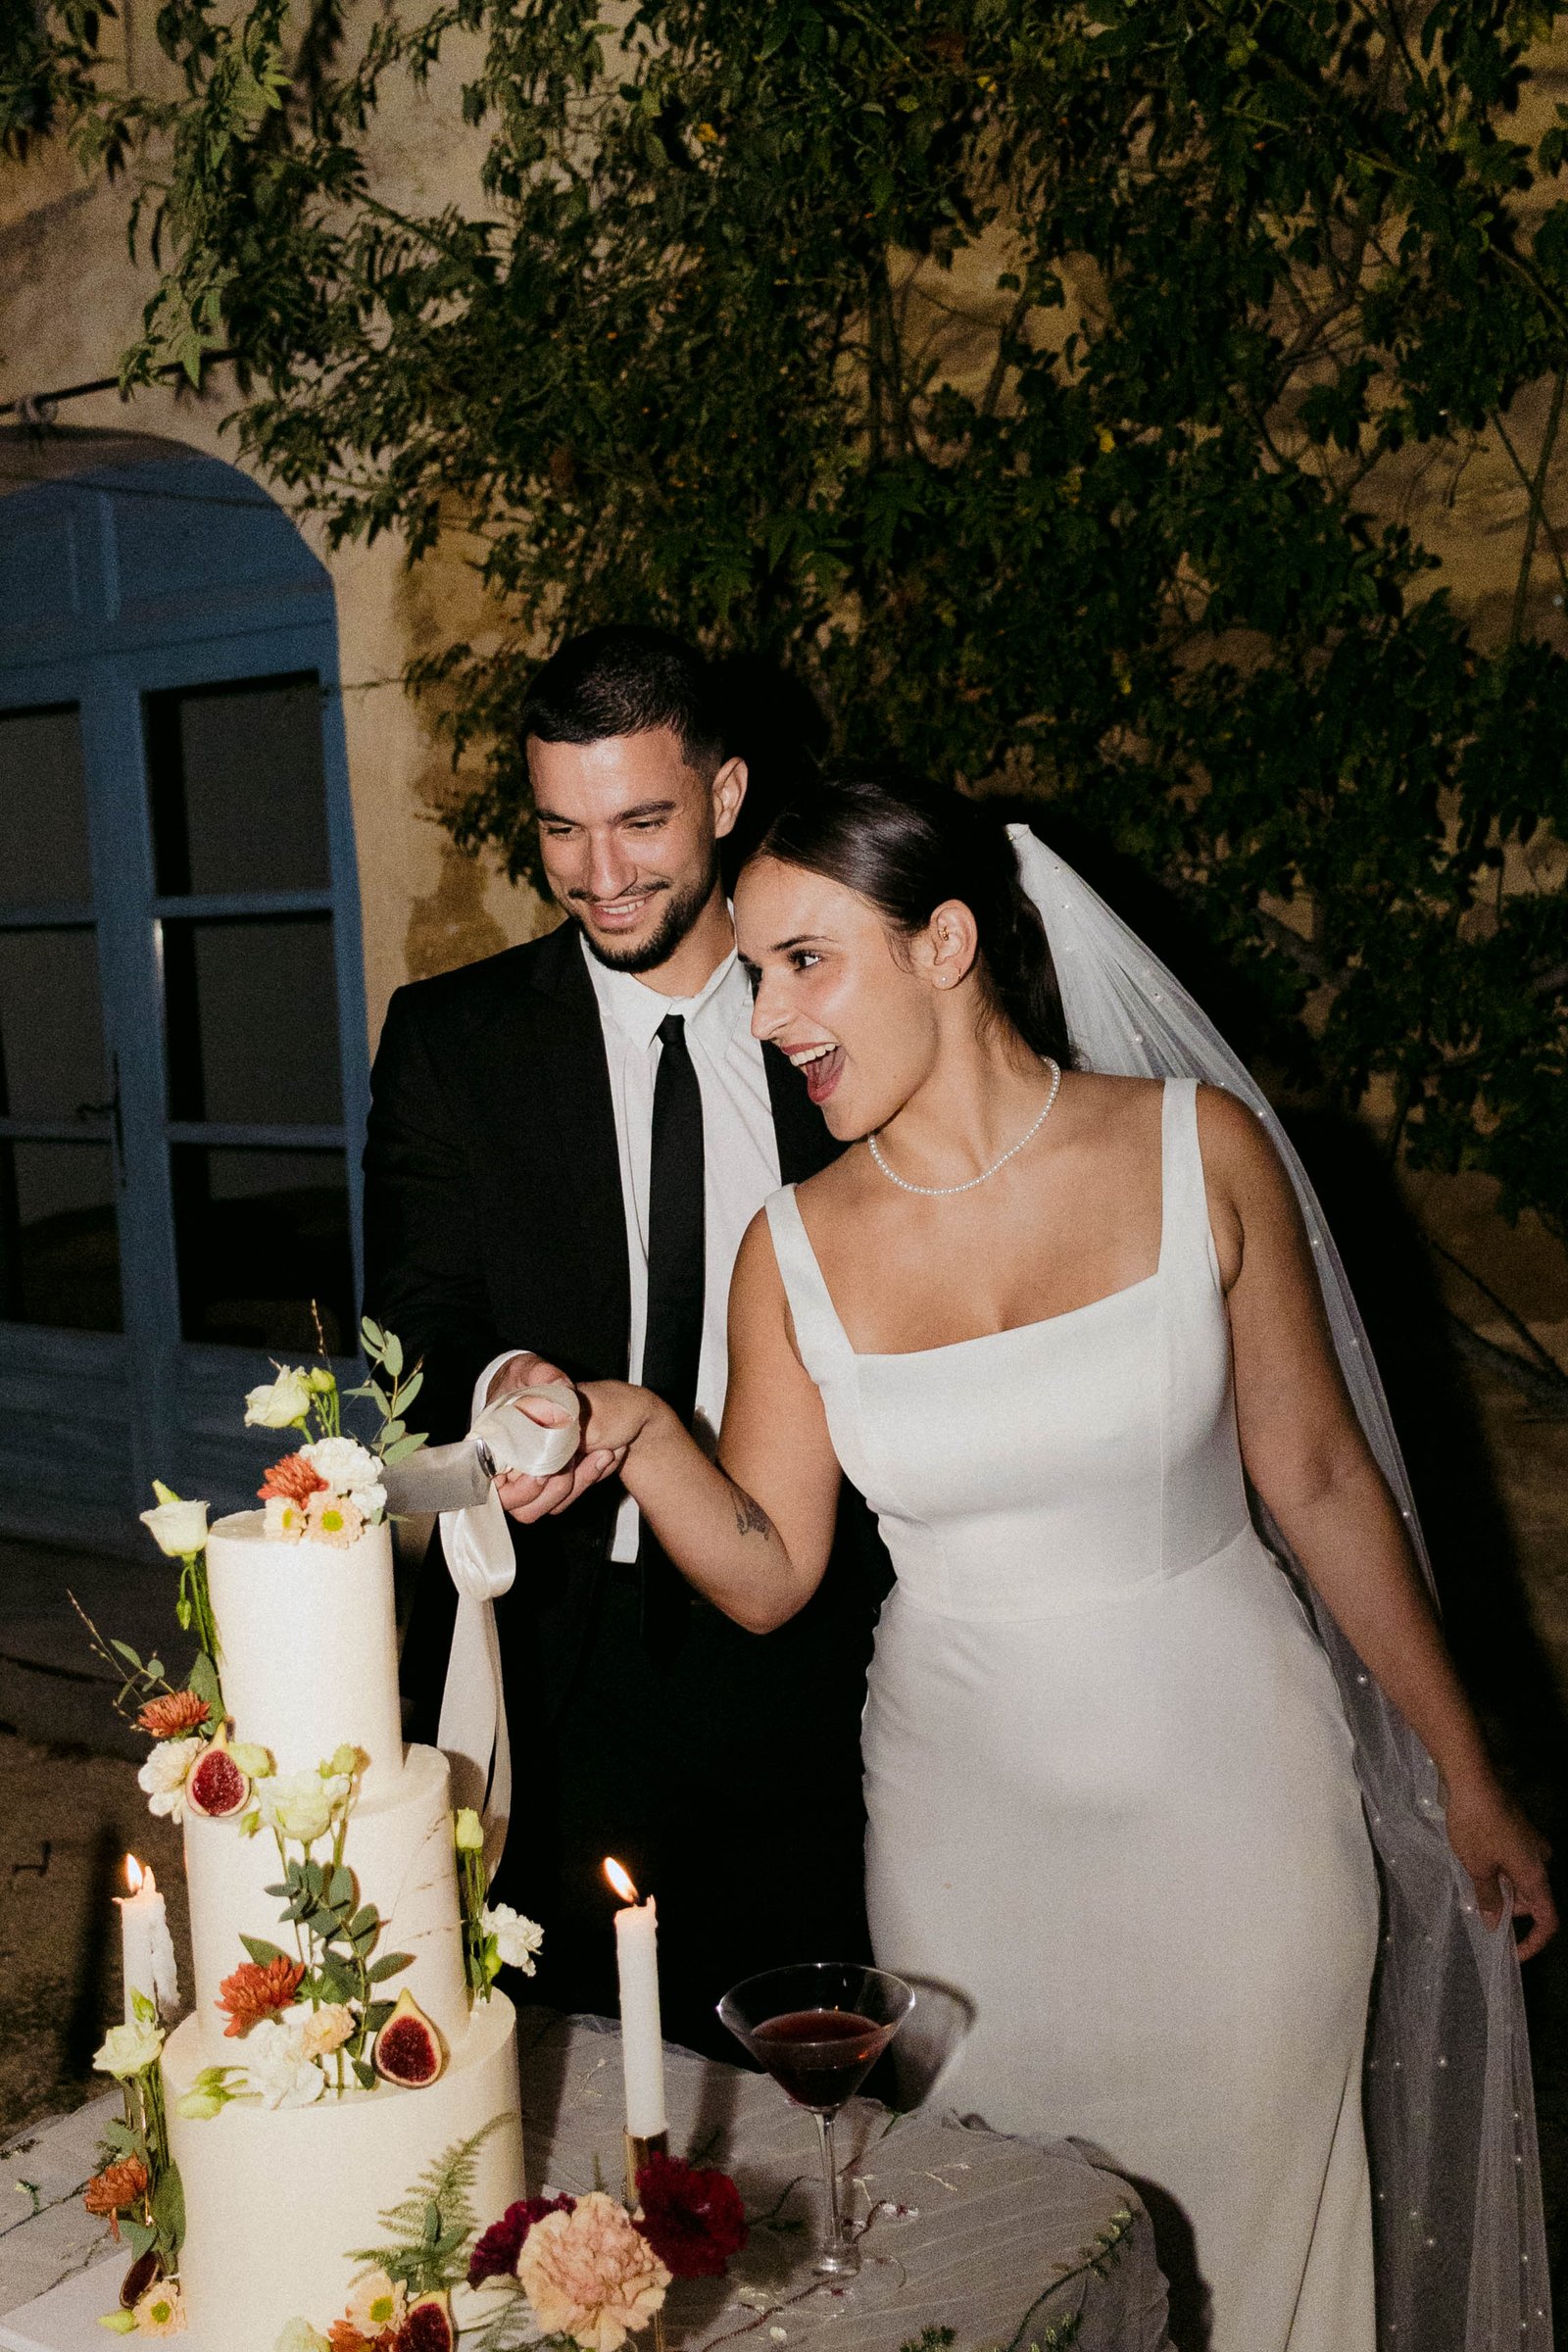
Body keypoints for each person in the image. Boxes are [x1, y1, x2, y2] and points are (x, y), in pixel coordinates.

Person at [567, 770, 1556, 2352]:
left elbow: (1317, 1477)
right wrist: (644, 1433)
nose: (765, 1019)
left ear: (946, 942)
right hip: (971, 1854)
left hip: (1242, 1818)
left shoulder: (1197, 1152)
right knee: (1010, 2263)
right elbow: (767, 1576)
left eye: (804, 963)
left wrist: (1466, 1770)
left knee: (1260, 2253)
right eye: (754, 975)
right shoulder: (791, 1250)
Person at [361, 629, 887, 2055]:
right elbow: (418, 1305)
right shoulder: (448, 1039)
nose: (601, 875)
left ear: (723, 796)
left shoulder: (839, 1029)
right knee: (538, 2091)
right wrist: (496, 1388)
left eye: (642, 822)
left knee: (809, 2071)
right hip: (546, 1651)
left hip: (818, 1652)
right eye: (561, 830)